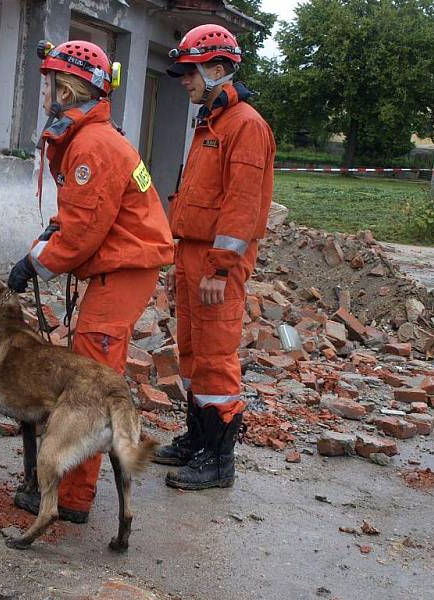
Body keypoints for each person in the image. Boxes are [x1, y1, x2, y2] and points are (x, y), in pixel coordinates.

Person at [7, 39, 173, 522]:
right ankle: (76, 483)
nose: (45, 96)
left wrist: (34, 265)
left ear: (66, 88)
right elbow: (79, 218)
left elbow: (80, 235)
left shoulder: (92, 146)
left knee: (89, 384)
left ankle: (72, 499)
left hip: (123, 267)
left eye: (49, 86)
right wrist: (47, 241)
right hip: (124, 263)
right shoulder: (94, 138)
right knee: (90, 372)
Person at [151, 24, 276, 490]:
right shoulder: (211, 123)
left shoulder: (245, 126)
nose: (184, 80)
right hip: (193, 257)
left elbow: (242, 206)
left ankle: (219, 462)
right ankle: (197, 440)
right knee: (192, 352)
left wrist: (220, 267)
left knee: (216, 356)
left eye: (190, 72)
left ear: (218, 68)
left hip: (216, 263)